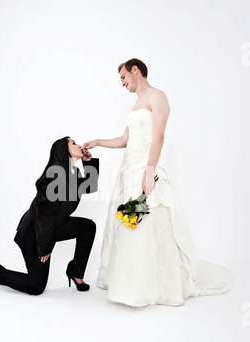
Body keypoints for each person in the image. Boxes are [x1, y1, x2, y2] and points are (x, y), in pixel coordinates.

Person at [83, 58, 233, 307]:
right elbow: (125, 139)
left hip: (145, 166)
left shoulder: (158, 96)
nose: (122, 83)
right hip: (128, 168)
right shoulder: (136, 105)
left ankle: (151, 285)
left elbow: (158, 136)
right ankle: (126, 283)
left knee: (147, 221)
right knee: (128, 222)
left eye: (123, 77)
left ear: (135, 70)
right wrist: (98, 142)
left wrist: (149, 171)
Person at [0, 136, 99, 295]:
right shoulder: (55, 174)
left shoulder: (73, 172)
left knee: (88, 227)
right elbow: (44, 215)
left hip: (54, 226)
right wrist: (44, 246)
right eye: (73, 143)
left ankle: (76, 273)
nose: (79, 145)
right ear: (63, 150)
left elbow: (90, 187)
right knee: (36, 286)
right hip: (35, 233)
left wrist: (88, 161)